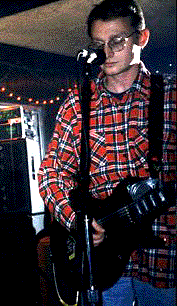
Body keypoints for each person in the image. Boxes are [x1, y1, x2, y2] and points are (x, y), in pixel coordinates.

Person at [38, 1, 176, 305]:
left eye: (117, 41)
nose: (108, 52)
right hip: (101, 262)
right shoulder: (78, 104)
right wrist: (77, 223)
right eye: (99, 44)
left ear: (142, 38)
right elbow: (50, 174)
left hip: (164, 258)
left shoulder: (170, 96)